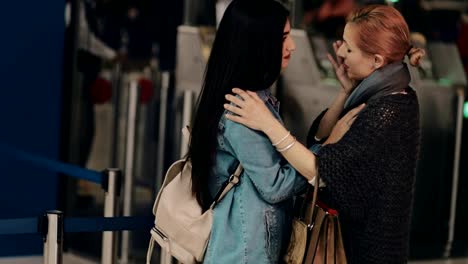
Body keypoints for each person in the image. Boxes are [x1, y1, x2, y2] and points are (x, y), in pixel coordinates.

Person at [224, 4, 425, 263]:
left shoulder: (388, 110)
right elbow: (318, 141)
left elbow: (320, 171)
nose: (340, 52)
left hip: (365, 251)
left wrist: (268, 124)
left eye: (349, 48)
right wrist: (344, 93)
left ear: (377, 61)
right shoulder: (381, 94)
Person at [186, 0, 309, 263]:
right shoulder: (242, 108)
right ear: (260, 43)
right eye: (284, 37)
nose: (293, 46)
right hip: (244, 253)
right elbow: (274, 185)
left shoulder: (251, 99)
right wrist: (319, 162)